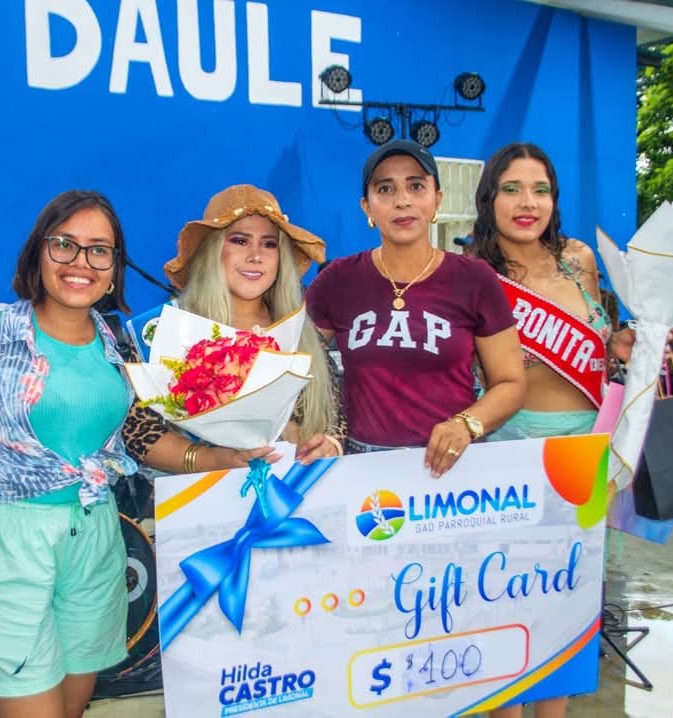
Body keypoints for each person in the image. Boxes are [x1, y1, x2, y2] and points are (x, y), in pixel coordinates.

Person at [0, 190, 137, 718]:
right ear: (39, 251)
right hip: (11, 540)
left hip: (96, 536)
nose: (81, 262)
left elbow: (140, 438)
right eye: (64, 245)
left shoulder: (118, 343)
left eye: (98, 250)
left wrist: (223, 457)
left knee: (71, 709)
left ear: (114, 267)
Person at [469, 142, 630, 718]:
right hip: (509, 448)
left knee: (568, 601)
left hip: (584, 449)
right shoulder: (473, 272)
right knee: (505, 600)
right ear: (489, 199)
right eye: (511, 189)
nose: (527, 203)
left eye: (540, 190)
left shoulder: (577, 258)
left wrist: (620, 344)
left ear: (554, 199)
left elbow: (596, 342)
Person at [305, 140, 525, 477]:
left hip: (451, 470)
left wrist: (465, 425)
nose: (402, 200)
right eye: (385, 189)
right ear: (366, 206)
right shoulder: (337, 281)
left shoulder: (474, 279)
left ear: (437, 199)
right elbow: (296, 366)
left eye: (416, 186)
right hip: (363, 470)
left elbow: (511, 383)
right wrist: (324, 433)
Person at [123, 184, 346, 474]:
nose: (256, 256)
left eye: (269, 244)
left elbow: (334, 415)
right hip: (195, 496)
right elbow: (137, 432)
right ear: (212, 251)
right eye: (240, 241)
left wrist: (330, 444)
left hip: (295, 489)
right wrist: (210, 460)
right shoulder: (164, 328)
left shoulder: (301, 330)